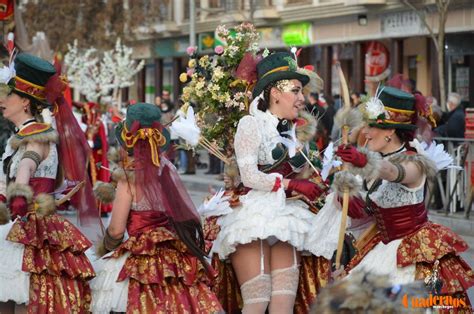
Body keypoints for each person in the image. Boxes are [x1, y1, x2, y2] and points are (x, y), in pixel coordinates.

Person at [211, 52, 336, 313]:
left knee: (283, 304)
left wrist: (333, 173)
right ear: (275, 93)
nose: (302, 98)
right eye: (296, 90)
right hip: (253, 216)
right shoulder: (250, 124)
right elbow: (249, 176)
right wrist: (290, 185)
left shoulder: (295, 131)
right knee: (257, 302)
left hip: (286, 216)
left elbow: (311, 175)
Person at [335, 86, 474, 304]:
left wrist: (363, 161)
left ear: (390, 132)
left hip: (416, 252)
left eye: (372, 127)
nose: (366, 132)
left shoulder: (414, 160)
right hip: (382, 248)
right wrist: (346, 197)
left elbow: (394, 172)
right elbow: (366, 214)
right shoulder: (375, 162)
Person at [90, 102, 223, 313]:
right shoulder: (167, 169)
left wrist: (106, 248)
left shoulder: (129, 176)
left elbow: (116, 230)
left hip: (139, 257)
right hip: (173, 255)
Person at [0, 53, 97, 312]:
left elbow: (27, 164)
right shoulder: (20, 137)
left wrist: (18, 193)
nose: (1, 100)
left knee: (23, 300)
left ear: (24, 102)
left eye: (8, 95)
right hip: (16, 223)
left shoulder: (37, 137)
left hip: (31, 229)